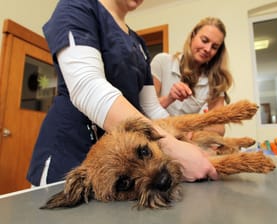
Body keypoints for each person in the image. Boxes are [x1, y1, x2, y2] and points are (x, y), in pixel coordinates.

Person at [27, 0, 218, 186]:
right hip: (71, 150)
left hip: (122, 169)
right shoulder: (77, 7)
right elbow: (87, 86)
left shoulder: (139, 45)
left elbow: (151, 108)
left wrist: (185, 140)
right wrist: (172, 147)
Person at [151, 17, 233, 135]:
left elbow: (219, 129)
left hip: (185, 141)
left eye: (214, 47)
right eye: (204, 40)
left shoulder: (215, 81)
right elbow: (146, 109)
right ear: (192, 36)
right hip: (157, 135)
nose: (207, 49)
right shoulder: (162, 62)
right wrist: (169, 98)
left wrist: (194, 128)